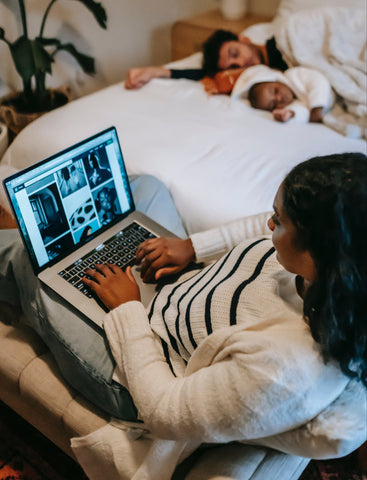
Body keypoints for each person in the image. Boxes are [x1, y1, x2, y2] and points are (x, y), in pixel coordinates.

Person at [1, 151, 366, 468]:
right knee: (148, 185)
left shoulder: (285, 368)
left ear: (319, 248)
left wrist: (128, 309)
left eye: (279, 220)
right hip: (186, 282)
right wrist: (191, 247)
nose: (268, 223)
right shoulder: (340, 272)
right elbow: (259, 223)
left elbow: (162, 411)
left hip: (146, 364)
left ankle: (15, 236)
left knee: (30, 260)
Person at [125, 29, 288, 90]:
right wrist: (156, 72)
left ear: (244, 39)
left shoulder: (287, 39)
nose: (239, 64)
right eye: (232, 67)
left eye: (235, 53)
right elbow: (206, 75)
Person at [230, 64, 334, 123]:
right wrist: (290, 114)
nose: (279, 99)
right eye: (274, 104)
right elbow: (303, 111)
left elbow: (319, 81)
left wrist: (317, 108)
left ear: (277, 79)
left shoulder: (295, 75)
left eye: (276, 91)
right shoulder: (292, 103)